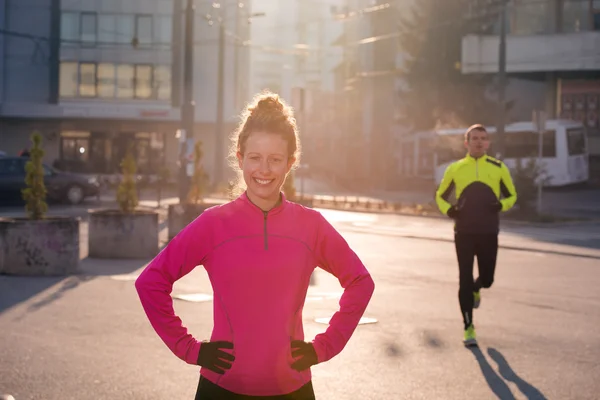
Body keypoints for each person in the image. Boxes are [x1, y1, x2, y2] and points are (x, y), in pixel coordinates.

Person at [135, 91, 375, 399]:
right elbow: (151, 282)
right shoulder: (213, 223)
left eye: (275, 160)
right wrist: (190, 349)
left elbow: (360, 282)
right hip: (222, 387)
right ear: (239, 158)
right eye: (255, 158)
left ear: (290, 163)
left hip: (293, 389)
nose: (264, 170)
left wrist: (323, 347)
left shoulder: (311, 226)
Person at [434, 124, 517, 347]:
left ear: (488, 143)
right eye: (474, 138)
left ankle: (478, 288)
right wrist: (449, 210)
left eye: (483, 138)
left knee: (488, 278)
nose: (479, 142)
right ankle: (468, 327)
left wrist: (500, 205)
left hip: (489, 231)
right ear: (466, 143)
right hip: (464, 232)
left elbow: (512, 196)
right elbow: (441, 196)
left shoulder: (498, 167)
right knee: (464, 278)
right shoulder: (456, 169)